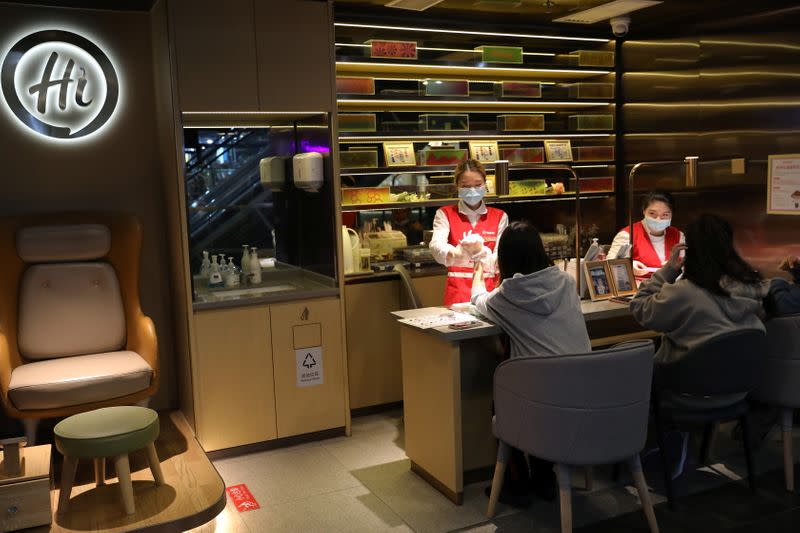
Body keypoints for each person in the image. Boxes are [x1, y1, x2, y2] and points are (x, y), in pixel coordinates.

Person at [471, 221, 591, 506]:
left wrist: (478, 272)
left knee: (504, 399)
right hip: (586, 399)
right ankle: (544, 475)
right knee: (544, 389)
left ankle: (516, 483)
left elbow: (477, 301)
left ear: (504, 259)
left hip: (540, 407)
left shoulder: (507, 295)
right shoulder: (566, 282)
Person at [630, 214, 768, 365]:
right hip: (743, 381)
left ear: (690, 249)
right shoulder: (753, 285)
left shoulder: (684, 292)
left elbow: (639, 306)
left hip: (683, 381)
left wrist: (669, 269)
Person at [429, 159, 508, 306]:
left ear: (485, 184)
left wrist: (481, 253)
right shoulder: (445, 214)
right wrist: (456, 255)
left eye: (478, 185)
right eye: (465, 186)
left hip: (490, 293)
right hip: (458, 295)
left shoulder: (500, 216)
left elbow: (500, 258)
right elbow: (436, 246)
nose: (472, 190)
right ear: (457, 186)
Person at [607, 190, 685, 278]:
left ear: (672, 215)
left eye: (665, 215)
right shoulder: (627, 235)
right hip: (640, 288)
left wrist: (676, 267)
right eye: (652, 213)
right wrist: (628, 266)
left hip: (671, 289)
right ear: (644, 211)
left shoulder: (678, 236)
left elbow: (689, 266)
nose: (658, 219)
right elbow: (609, 266)